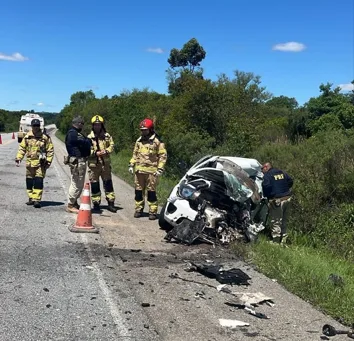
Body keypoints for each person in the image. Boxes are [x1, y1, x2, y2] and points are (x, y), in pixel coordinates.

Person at [128, 118, 167, 220]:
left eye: (145, 129)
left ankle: (152, 211)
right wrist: (131, 165)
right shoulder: (139, 141)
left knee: (151, 192)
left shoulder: (157, 141)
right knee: (138, 191)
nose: (143, 131)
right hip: (139, 171)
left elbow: (162, 156)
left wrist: (160, 169)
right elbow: (135, 155)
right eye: (142, 130)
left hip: (152, 172)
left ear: (150, 129)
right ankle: (138, 209)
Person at [15, 119, 54, 208]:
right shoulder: (27, 137)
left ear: (39, 126)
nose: (36, 127)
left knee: (38, 181)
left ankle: (37, 199)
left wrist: (48, 161)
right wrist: (19, 158)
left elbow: (50, 150)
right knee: (29, 181)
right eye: (34, 126)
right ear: (32, 126)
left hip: (40, 164)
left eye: (37, 126)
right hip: (29, 164)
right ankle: (31, 198)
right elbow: (22, 148)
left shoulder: (45, 138)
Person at [87, 115, 118, 213]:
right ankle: (96, 204)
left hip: (105, 165)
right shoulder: (89, 138)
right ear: (93, 126)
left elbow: (112, 146)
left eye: (99, 125)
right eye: (95, 125)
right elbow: (86, 150)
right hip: (93, 165)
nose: (97, 126)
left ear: (101, 125)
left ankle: (111, 203)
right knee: (95, 185)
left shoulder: (107, 136)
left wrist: (107, 151)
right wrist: (95, 153)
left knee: (108, 183)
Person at [261, 162, 293, 244]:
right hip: (288, 198)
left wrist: (269, 196)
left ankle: (276, 241)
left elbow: (266, 186)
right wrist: (284, 190)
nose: (262, 171)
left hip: (277, 201)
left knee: (276, 221)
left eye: (262, 169)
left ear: (266, 167)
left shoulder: (267, 175)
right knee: (285, 220)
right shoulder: (282, 172)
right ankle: (284, 240)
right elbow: (290, 181)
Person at [65, 116, 92, 213]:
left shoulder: (75, 133)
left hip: (79, 160)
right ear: (78, 123)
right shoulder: (73, 134)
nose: (83, 126)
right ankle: (70, 204)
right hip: (78, 161)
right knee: (77, 183)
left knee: (77, 182)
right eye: (82, 124)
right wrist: (88, 141)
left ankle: (74, 202)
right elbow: (86, 143)